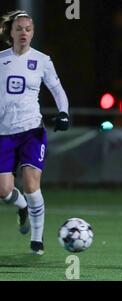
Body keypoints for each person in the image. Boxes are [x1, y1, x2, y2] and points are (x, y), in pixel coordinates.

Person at [0, 10, 70, 255]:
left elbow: (57, 89)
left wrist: (63, 113)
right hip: (3, 134)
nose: (23, 33)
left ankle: (37, 241)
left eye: (28, 29)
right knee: (4, 190)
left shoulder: (42, 60)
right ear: (11, 32)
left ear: (33, 33)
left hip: (32, 130)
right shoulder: (1, 60)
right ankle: (21, 208)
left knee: (31, 183)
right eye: (19, 28)